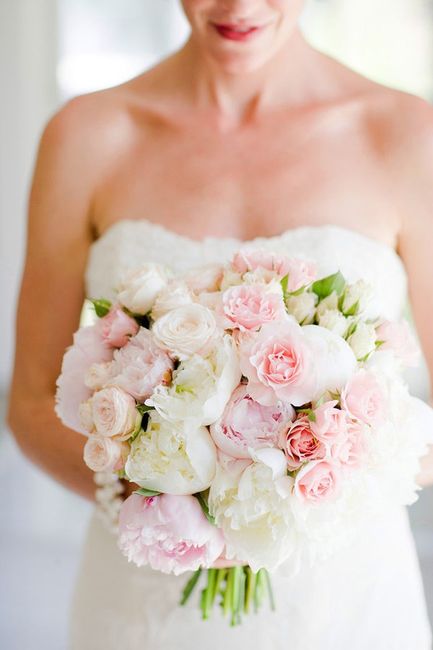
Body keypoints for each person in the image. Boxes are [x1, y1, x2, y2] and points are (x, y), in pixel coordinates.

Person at [7, 1, 433, 648]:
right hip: (143, 605)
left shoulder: (405, 134)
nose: (237, 6)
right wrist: (171, 493)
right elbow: (32, 404)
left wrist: (313, 486)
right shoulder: (86, 135)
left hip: (348, 605)